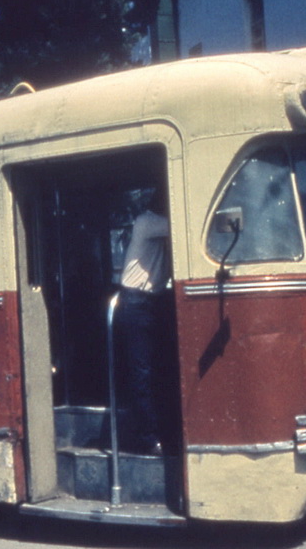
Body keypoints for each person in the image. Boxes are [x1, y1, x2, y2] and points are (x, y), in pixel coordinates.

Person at [114, 190, 170, 456]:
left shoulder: (152, 224)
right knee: (142, 371)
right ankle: (146, 437)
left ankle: (158, 430)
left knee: (154, 369)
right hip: (137, 301)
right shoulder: (146, 222)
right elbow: (183, 224)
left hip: (151, 300)